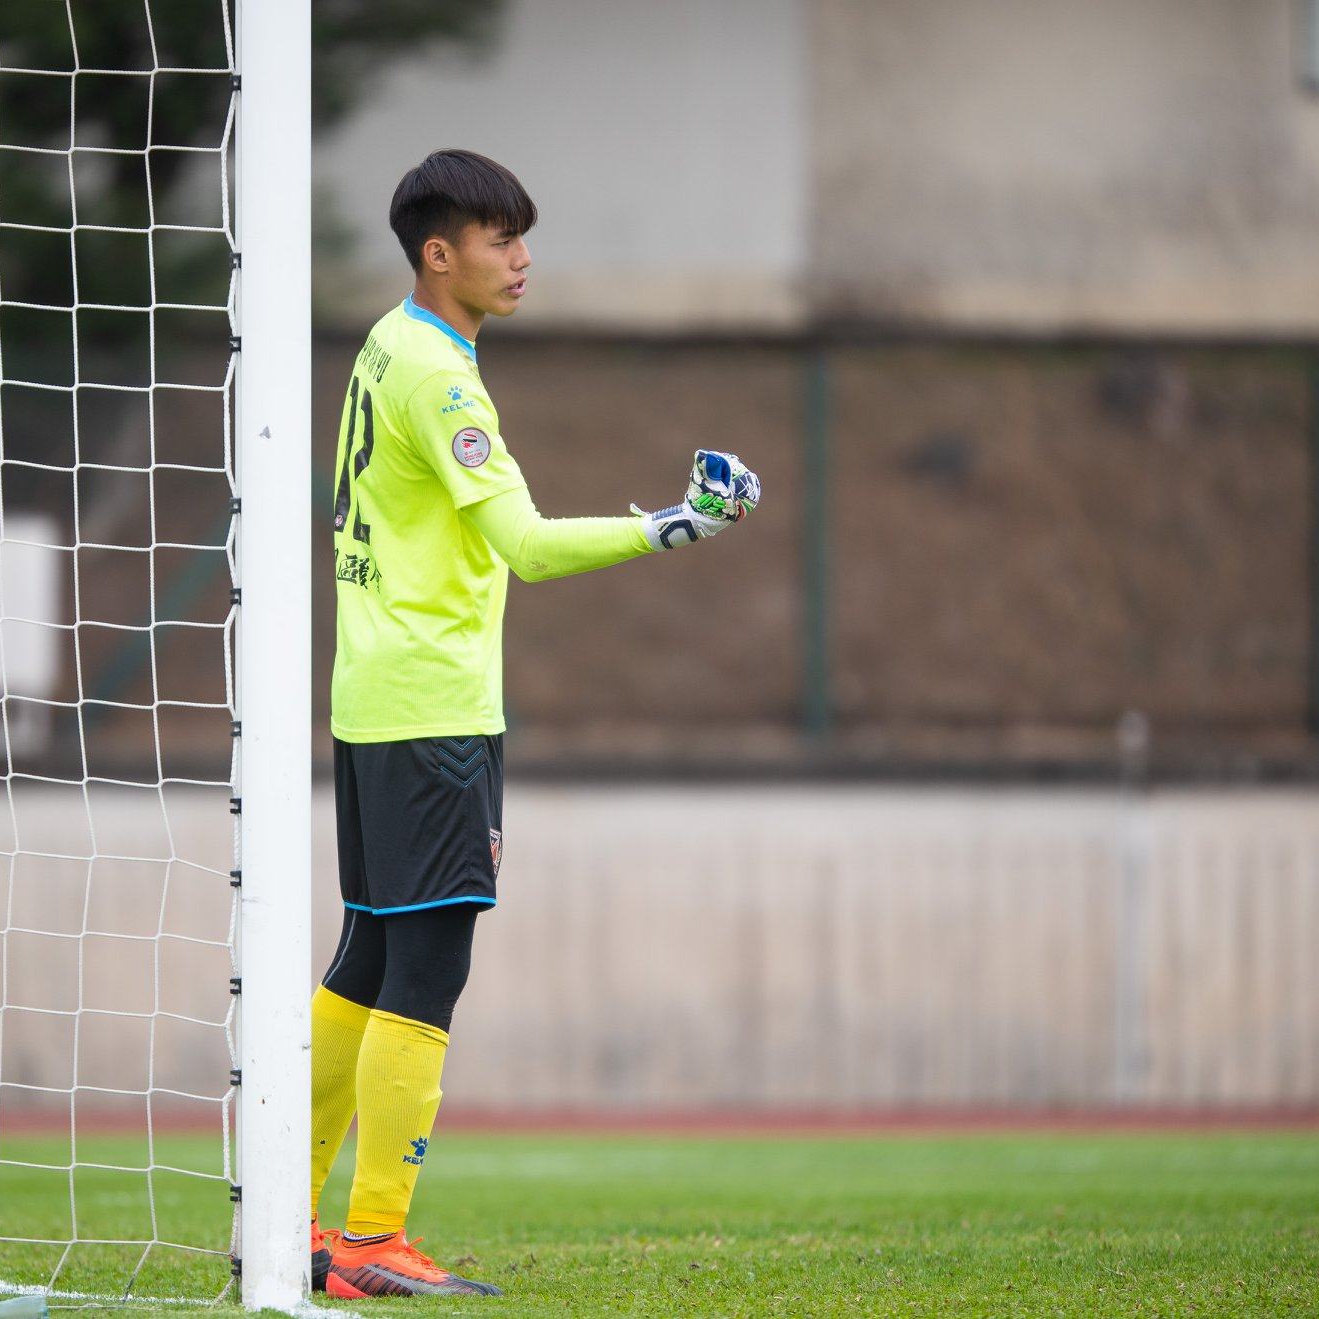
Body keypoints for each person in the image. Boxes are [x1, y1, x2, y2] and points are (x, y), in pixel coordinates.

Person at [310, 148, 761, 1300]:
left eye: (521, 237)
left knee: (366, 955)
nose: (520, 259)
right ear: (436, 252)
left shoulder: (386, 343)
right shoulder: (444, 381)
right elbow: (524, 544)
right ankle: (369, 1237)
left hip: (370, 696)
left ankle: (288, 1211)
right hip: (432, 707)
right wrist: (674, 523)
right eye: (498, 238)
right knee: (426, 961)